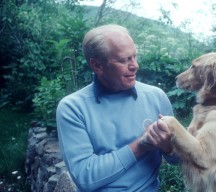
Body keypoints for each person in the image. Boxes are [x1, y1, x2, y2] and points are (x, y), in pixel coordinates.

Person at [56, 24, 177, 192]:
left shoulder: (156, 97)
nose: (135, 65)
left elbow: (179, 159)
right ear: (97, 65)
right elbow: (85, 177)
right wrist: (141, 145)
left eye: (134, 57)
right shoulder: (72, 108)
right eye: (124, 60)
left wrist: (168, 146)